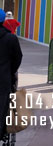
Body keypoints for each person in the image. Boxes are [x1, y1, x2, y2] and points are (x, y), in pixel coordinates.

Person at [0, 9, 22, 144]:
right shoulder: (10, 38)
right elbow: (18, 57)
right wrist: (10, 71)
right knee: (3, 107)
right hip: (3, 79)